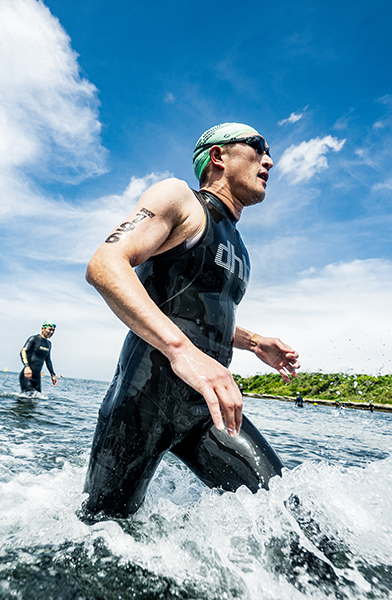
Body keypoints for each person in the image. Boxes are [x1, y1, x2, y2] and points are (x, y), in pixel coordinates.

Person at [81, 123, 301, 519]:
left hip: (206, 407)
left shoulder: (240, 247)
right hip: (142, 401)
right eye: (257, 147)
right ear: (218, 156)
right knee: (101, 533)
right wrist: (181, 350)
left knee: (288, 517)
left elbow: (192, 312)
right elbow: (105, 264)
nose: (269, 160)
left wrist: (253, 342)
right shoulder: (180, 200)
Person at [19, 321, 57, 393]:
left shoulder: (49, 344)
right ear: (43, 329)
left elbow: (48, 360)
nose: (51, 332)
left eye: (53, 330)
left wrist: (52, 374)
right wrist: (27, 366)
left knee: (36, 399)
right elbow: (23, 351)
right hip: (27, 375)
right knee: (27, 399)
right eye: (50, 329)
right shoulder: (34, 339)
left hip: (37, 377)